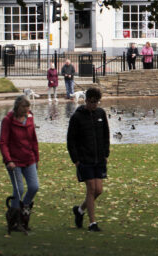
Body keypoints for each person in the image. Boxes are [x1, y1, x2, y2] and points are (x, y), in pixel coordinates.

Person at [68, 87, 110, 233]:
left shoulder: (101, 114)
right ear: (86, 100)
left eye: (96, 102)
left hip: (98, 158)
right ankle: (93, 223)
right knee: (91, 188)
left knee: (98, 190)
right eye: (91, 102)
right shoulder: (77, 117)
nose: (94, 105)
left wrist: (106, 153)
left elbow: (106, 134)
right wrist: (76, 160)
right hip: (84, 158)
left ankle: (79, 210)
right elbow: (71, 140)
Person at [0, 95, 39, 234]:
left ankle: (23, 212)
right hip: (14, 161)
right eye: (25, 107)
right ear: (18, 107)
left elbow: (34, 139)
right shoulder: (7, 121)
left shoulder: (30, 118)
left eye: (29, 107)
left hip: (29, 158)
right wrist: (8, 160)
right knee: (19, 189)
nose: (28, 110)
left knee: (34, 187)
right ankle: (14, 220)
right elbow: (3, 143)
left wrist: (36, 158)